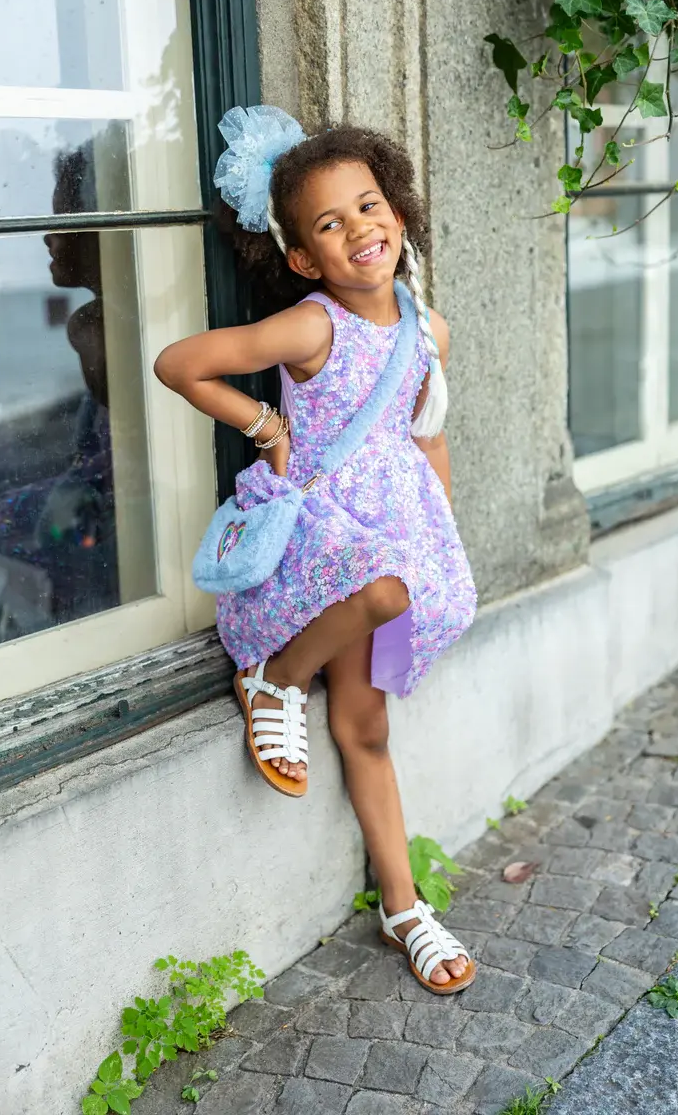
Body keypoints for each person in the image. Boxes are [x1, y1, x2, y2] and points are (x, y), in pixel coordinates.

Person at [155, 106, 478, 996]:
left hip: (391, 536)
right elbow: (181, 364)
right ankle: (275, 677)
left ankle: (403, 906)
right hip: (319, 542)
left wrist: (439, 525)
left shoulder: (427, 331)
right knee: (383, 587)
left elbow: (428, 436)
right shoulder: (312, 328)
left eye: (369, 206)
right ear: (304, 258)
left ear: (399, 215)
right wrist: (263, 423)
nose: (359, 230)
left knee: (366, 728)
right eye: (329, 224)